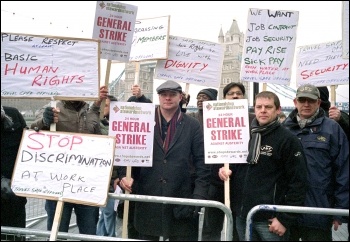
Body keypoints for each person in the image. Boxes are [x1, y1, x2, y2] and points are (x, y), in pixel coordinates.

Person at [118, 80, 211, 240]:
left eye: (172, 94)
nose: (168, 98)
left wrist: (198, 197)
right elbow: (125, 150)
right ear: (158, 97)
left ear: (180, 97)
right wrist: (123, 176)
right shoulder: (142, 120)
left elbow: (202, 163)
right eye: (164, 94)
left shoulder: (193, 125)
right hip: (147, 198)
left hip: (181, 200)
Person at [219, 91, 308, 241]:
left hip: (270, 219)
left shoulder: (288, 140)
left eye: (268, 107)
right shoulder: (246, 135)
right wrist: (225, 170)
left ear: (278, 110)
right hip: (243, 215)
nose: (263, 110)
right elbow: (238, 167)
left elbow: (299, 182)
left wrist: (284, 219)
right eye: (259, 106)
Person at [30, 86, 108, 235]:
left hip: (86, 186)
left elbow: (102, 144)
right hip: (58, 184)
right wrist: (44, 121)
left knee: (89, 234)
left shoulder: (91, 112)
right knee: (57, 234)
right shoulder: (52, 107)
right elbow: (33, 131)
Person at [283, 84, 349, 241]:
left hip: (319, 212)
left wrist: (340, 210)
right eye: (302, 100)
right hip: (287, 214)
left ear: (319, 103)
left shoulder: (332, 129)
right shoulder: (284, 129)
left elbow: (344, 171)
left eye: (311, 101)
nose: (306, 104)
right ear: (295, 102)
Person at [202, 82, 253, 241]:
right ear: (224, 97)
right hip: (217, 181)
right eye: (231, 93)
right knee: (211, 227)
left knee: (237, 227)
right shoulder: (211, 115)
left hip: (242, 182)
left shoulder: (253, 119)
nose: (235, 96)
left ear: (244, 96)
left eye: (239, 93)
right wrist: (218, 169)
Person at [1, 105, 27, 241]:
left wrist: (44, 123)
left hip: (15, 196)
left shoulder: (13, 114)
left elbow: (29, 142)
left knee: (16, 236)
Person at [96, 95, 120, 237]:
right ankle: (109, 237)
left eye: (105, 105)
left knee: (106, 213)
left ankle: (102, 237)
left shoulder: (117, 127)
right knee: (108, 213)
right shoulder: (98, 125)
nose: (102, 108)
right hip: (103, 176)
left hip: (114, 178)